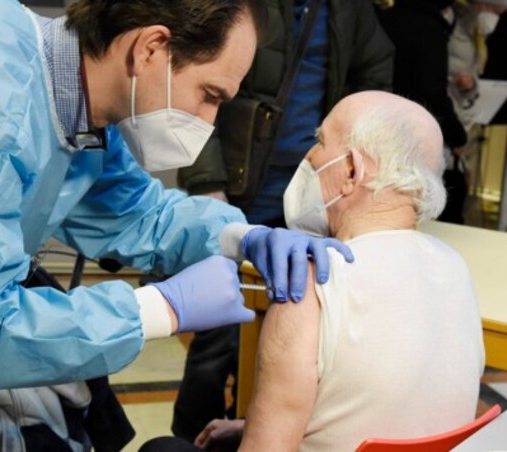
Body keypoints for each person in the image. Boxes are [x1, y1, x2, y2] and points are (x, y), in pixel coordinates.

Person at [0, 1, 356, 450]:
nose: (209, 126)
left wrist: (240, 237)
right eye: (210, 96)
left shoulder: (73, 105)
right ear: (152, 47)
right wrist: (159, 309)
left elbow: (140, 212)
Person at [142, 91, 485, 452]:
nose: (309, 156)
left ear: (352, 170)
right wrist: (250, 425)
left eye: (320, 141)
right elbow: (389, 401)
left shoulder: (310, 281)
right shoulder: (454, 265)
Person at [172, 0, 394, 439]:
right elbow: (204, 84)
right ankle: (188, 441)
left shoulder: (351, 11)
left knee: (290, 337)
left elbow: (375, 79)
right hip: (238, 192)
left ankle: (246, 430)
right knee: (216, 334)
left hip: (314, 198)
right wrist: (207, 182)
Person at [377, 0, 469, 224]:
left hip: (379, 124)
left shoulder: (382, 18)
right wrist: (457, 135)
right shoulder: (430, 30)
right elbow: (432, 92)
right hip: (416, 132)